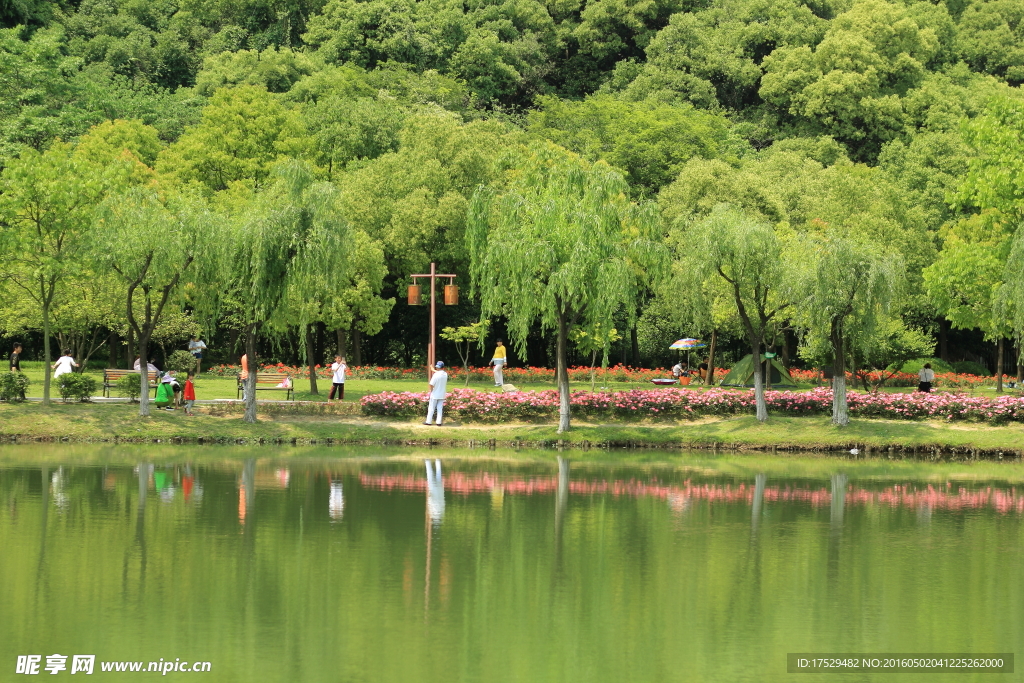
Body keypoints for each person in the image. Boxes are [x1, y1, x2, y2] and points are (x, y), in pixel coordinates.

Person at [424, 361, 449, 426]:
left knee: (431, 408)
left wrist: (431, 391)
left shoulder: (435, 375)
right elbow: (440, 373)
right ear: (443, 367)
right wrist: (433, 370)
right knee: (440, 408)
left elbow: (431, 384)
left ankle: (428, 421)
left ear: (438, 367)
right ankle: (439, 422)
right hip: (442, 394)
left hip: (435, 393)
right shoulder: (445, 374)